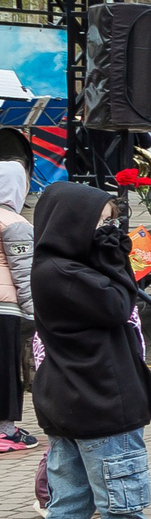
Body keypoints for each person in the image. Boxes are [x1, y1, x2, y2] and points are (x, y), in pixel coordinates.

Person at [29, 182, 151, 519]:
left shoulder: (57, 267)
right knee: (120, 498)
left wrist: (106, 250)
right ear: (74, 225)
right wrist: (114, 254)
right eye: (102, 223)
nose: (110, 231)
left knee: (71, 498)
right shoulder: (63, 274)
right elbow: (120, 302)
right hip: (101, 402)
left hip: (69, 402)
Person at [0, 162, 34, 456]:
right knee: (6, 370)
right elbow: (24, 274)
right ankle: (5, 430)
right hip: (4, 308)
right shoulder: (15, 223)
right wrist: (36, 312)